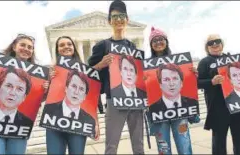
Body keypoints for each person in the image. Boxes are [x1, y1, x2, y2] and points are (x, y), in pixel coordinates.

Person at [0, 33, 50, 154]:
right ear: (14, 47)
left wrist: (44, 91)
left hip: (19, 127)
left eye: (30, 47)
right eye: (23, 45)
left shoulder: (38, 75)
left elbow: (35, 100)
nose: (26, 49)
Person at [88, 0, 145, 154]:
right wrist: (100, 64)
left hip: (135, 100)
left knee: (139, 145)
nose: (119, 20)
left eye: (122, 16)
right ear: (109, 21)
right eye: (114, 17)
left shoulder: (132, 47)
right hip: (114, 99)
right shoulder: (102, 45)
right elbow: (87, 72)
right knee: (111, 145)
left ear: (127, 19)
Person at [145, 27, 200, 154]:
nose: (158, 42)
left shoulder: (180, 62)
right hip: (158, 114)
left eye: (161, 39)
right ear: (151, 45)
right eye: (154, 40)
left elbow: (189, 82)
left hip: (180, 113)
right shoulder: (147, 66)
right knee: (163, 149)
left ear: (166, 41)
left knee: (184, 145)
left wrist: (193, 75)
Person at [46, 36, 100, 155]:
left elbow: (91, 99)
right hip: (54, 123)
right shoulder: (51, 70)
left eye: (69, 44)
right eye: (62, 45)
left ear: (74, 48)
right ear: (57, 50)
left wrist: (95, 122)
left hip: (79, 122)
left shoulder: (86, 71)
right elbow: (42, 95)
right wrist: (48, 80)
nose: (66, 47)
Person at [197, 34, 240, 154]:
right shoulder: (204, 62)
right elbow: (197, 83)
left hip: (236, 106)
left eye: (217, 41)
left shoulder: (233, 58)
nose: (215, 44)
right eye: (211, 43)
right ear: (207, 47)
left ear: (222, 44)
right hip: (217, 107)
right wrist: (211, 81)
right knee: (219, 141)